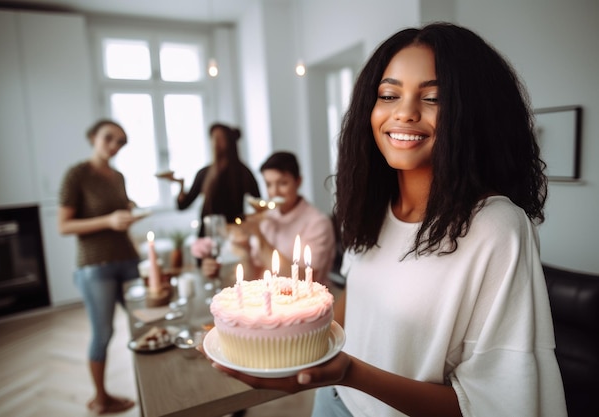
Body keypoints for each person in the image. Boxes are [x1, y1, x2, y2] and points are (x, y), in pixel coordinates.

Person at [207, 23, 567, 417]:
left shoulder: (496, 228)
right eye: (389, 94)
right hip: (331, 401)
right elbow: (358, 297)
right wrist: (271, 337)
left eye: (432, 98)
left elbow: (492, 406)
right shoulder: (374, 205)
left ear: (473, 112)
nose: (405, 112)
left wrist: (349, 372)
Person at [58, 119, 141, 415]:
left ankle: (156, 387)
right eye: (109, 138)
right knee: (103, 333)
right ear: (93, 136)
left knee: (144, 321)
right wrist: (108, 221)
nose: (114, 146)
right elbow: (64, 225)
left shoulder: (117, 176)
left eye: (120, 142)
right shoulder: (77, 175)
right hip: (95, 265)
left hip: (128, 259)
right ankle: (101, 398)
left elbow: (118, 209)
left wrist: (128, 210)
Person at [220, 151, 336, 285]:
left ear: (298, 181)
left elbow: (304, 278)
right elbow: (251, 276)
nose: (274, 192)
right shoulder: (268, 217)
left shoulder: (318, 223)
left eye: (283, 183)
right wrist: (245, 249)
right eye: (269, 184)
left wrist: (259, 235)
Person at [163, 122, 261, 236]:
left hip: (233, 233)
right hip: (207, 234)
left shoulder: (243, 172)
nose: (215, 143)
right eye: (213, 138)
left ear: (229, 141)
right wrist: (180, 185)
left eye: (220, 138)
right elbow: (182, 205)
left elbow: (258, 203)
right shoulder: (204, 173)